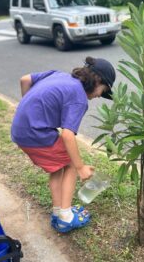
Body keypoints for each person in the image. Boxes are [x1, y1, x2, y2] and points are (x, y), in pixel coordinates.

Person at [11, 56, 116, 233]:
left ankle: (58, 212)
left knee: (59, 166)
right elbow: (67, 135)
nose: (99, 96)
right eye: (102, 90)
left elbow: (25, 79)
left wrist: (30, 109)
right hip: (35, 133)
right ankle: (66, 218)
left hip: (20, 127)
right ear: (97, 80)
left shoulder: (58, 75)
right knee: (70, 166)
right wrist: (81, 167)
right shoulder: (79, 98)